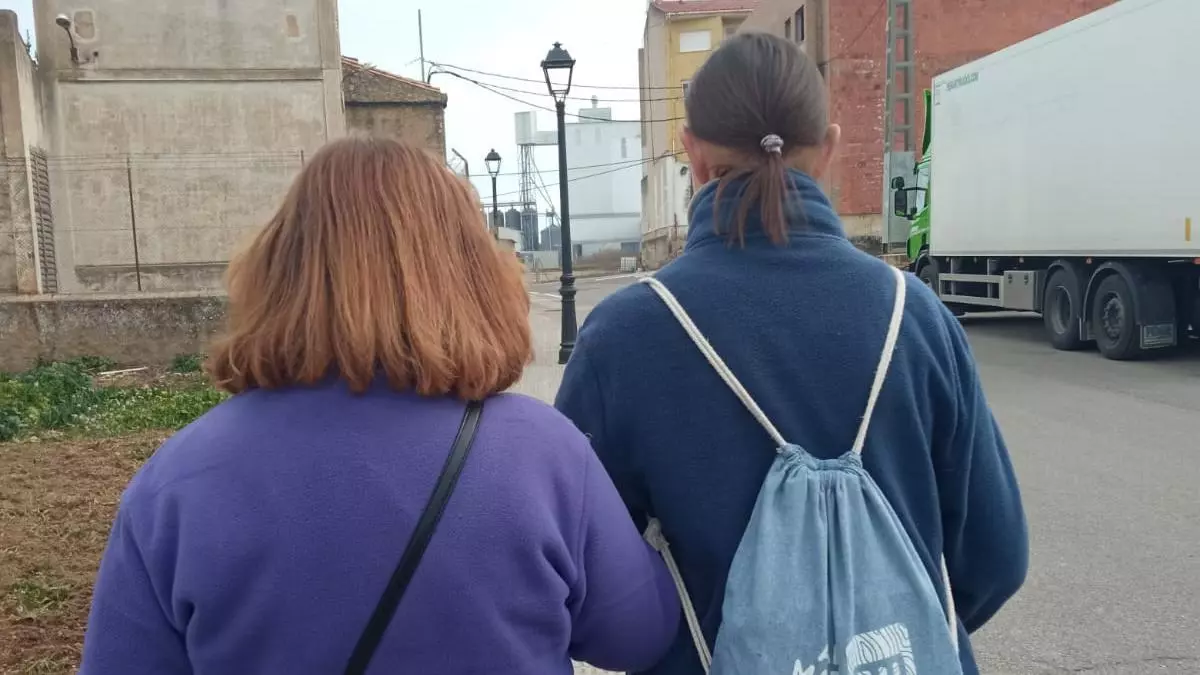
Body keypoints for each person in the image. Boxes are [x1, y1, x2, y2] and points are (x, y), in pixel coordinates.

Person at [80, 137, 679, 675]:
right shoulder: (543, 455)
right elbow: (638, 637)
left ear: (278, 272)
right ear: (471, 276)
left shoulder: (176, 483)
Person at [555, 32, 1028, 675]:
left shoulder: (624, 337)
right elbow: (997, 560)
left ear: (694, 154)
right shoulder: (916, 317)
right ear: (828, 149)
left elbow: (586, 579)